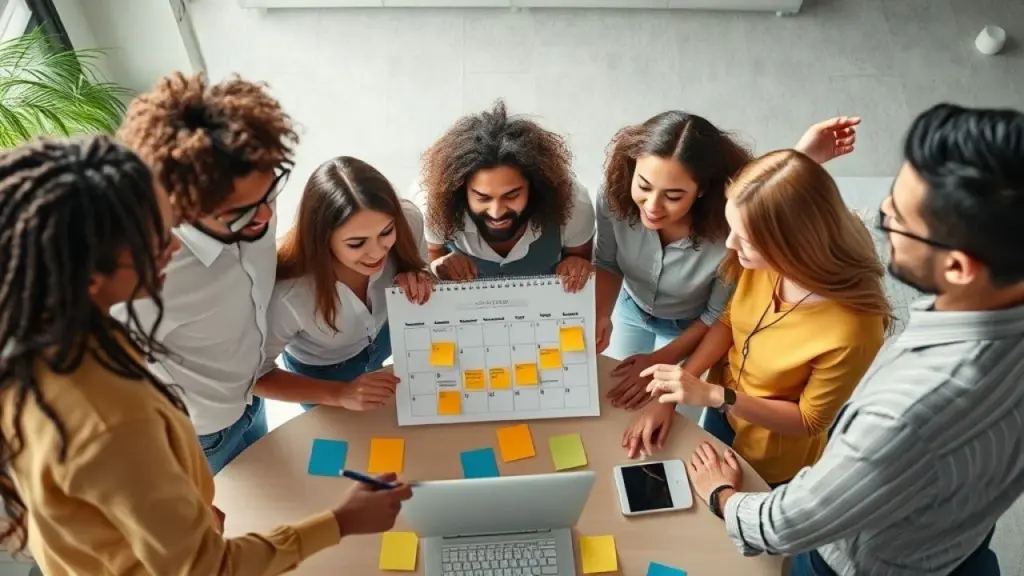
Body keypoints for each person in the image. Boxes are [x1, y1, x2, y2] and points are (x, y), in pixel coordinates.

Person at [0, 135, 413, 575]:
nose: (175, 245)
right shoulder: (109, 418)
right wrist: (341, 521)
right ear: (91, 272)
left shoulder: (64, 338)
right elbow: (207, 567)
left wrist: (183, 497)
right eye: (155, 235)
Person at [680, 104, 1024, 576]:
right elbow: (816, 226)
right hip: (958, 528)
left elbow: (785, 523)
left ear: (958, 268)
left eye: (896, 219)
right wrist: (798, 167)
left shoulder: (901, 414)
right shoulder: (999, 286)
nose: (880, 215)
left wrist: (722, 495)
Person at [629, 150, 892, 486]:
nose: (729, 244)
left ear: (793, 245)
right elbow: (729, 321)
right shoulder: (762, 260)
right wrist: (681, 389)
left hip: (769, 454)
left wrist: (715, 396)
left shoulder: (855, 330)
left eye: (746, 240)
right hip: (721, 408)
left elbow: (809, 421)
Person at [599, 113, 863, 415]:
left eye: (673, 196)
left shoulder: (733, 231)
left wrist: (666, 361)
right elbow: (606, 261)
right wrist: (601, 314)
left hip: (692, 328)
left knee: (667, 414)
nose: (652, 207)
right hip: (631, 308)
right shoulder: (614, 194)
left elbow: (717, 315)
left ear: (702, 190)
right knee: (620, 399)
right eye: (644, 186)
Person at [114, 72, 309, 474]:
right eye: (241, 212)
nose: (266, 216)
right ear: (183, 203)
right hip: (203, 435)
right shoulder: (144, 279)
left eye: (270, 192)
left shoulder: (252, 205)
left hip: (254, 399)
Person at [258, 156, 432, 411]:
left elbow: (423, 265)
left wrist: (419, 275)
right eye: (357, 243)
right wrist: (338, 394)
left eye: (386, 232)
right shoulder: (288, 293)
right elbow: (254, 377)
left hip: (383, 338)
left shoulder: (409, 221)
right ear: (322, 238)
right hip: (324, 372)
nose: (377, 253)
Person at [415, 100, 595, 291]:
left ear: (535, 187)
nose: (496, 212)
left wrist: (576, 265)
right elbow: (430, 253)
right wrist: (437, 265)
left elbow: (578, 257)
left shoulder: (572, 203)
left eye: (511, 195)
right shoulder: (433, 206)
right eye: (483, 197)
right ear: (460, 191)